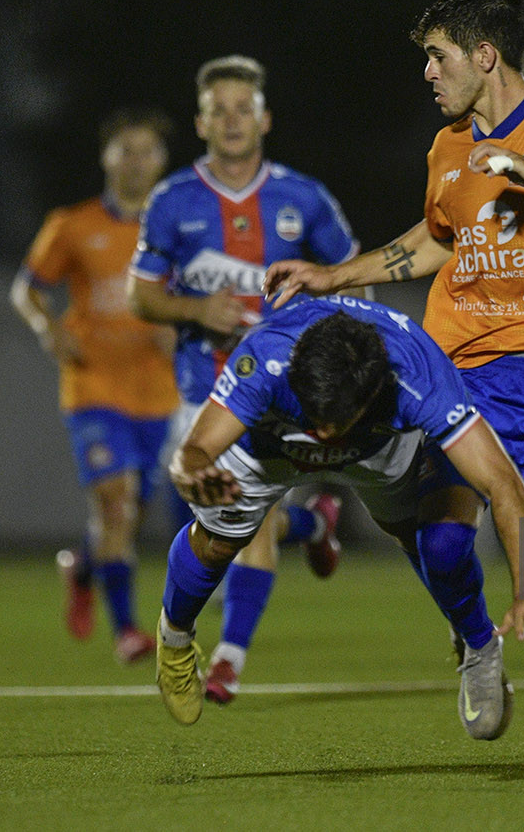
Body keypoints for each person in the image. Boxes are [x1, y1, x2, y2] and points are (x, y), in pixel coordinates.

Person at [264, 0, 524, 784]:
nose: (428, 73)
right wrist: (332, 274)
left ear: (485, 55)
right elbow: (438, 238)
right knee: (447, 542)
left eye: (438, 56)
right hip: (468, 380)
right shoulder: (448, 149)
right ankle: (476, 643)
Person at [154, 297, 524, 736]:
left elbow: (502, 482)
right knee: (217, 543)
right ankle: (174, 640)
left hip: (376, 446)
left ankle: (480, 645)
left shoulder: (417, 373)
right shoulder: (266, 357)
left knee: (426, 540)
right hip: (271, 446)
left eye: (334, 421)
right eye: (316, 416)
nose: (324, 434)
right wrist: (192, 475)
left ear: (374, 392)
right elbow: (190, 454)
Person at [127, 54, 357, 705]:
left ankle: (227, 657)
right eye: (219, 109)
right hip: (204, 389)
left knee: (247, 518)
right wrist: (196, 308)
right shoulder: (173, 200)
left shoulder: (303, 198)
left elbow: (352, 276)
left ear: (265, 119)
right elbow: (141, 294)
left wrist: (322, 341)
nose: (232, 120)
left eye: (243, 108)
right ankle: (314, 526)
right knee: (235, 517)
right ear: (201, 122)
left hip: (281, 393)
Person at [11, 106, 181, 665]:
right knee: (116, 506)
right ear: (106, 157)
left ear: (163, 160)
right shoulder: (73, 225)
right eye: (125, 149)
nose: (137, 161)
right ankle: (128, 631)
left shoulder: (182, 226)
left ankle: (81, 569)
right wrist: (48, 328)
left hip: (159, 392)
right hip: (93, 386)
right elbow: (27, 289)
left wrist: (182, 329)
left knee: (127, 515)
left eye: (148, 150)